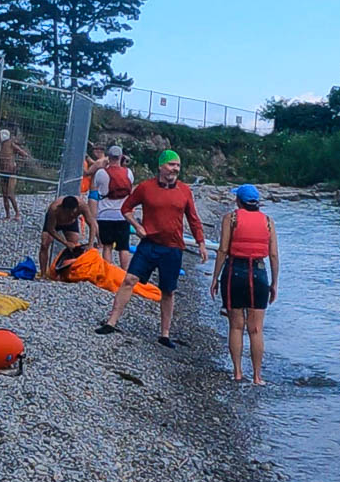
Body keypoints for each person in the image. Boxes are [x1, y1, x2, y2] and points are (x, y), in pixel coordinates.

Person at [96, 150, 207, 347]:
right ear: (161, 166)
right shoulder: (146, 188)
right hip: (149, 245)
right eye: (171, 164)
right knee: (129, 279)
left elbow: (193, 218)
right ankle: (111, 322)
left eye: (178, 166)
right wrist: (137, 227)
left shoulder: (184, 190)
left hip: (173, 248)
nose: (175, 169)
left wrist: (201, 243)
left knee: (168, 291)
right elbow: (126, 208)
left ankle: (164, 334)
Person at [211, 184, 279, 384]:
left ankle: (238, 373)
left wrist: (215, 277)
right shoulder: (268, 221)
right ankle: (258, 377)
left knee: (236, 326)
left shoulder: (230, 219)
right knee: (256, 329)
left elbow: (223, 250)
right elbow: (273, 254)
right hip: (259, 273)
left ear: (238, 201)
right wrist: (274, 283)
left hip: (235, 272)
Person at [91, 145, 136, 269]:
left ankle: (108, 271)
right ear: (121, 157)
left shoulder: (101, 173)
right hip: (123, 215)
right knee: (124, 247)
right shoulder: (128, 173)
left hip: (105, 214)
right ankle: (124, 272)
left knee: (107, 246)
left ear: (108, 157)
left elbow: (96, 190)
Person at [38, 195, 99, 279]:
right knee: (44, 244)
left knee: (74, 246)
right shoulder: (54, 209)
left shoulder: (82, 206)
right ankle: (43, 274)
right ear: (62, 208)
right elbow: (50, 229)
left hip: (71, 224)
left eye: (73, 212)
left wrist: (90, 243)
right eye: (67, 212)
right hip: (55, 223)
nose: (71, 214)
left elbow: (91, 224)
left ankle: (69, 273)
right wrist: (65, 243)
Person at [0, 128, 25, 220]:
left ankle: (17, 213)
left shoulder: (11, 144)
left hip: (11, 173)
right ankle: (7, 215)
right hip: (3, 172)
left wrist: (17, 166)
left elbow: (24, 154)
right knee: (4, 195)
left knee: (10, 194)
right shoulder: (1, 146)